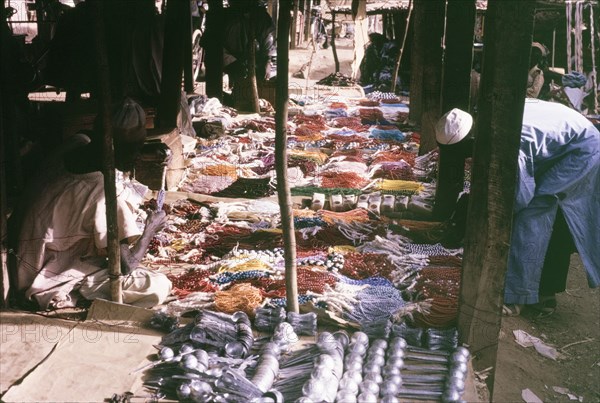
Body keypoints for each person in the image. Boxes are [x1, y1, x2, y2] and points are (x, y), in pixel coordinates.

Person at [435, 101, 600, 317]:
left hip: (581, 149)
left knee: (534, 215)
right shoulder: (487, 117)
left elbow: (518, 197)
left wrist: (477, 214)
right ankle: (543, 294)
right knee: (548, 214)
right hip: (567, 140)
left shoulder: (507, 139)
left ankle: (518, 297)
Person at [14, 98, 172, 310]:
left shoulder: (76, 144)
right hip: (43, 273)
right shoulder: (104, 191)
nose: (136, 156)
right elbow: (127, 266)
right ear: (114, 147)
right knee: (156, 285)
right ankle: (68, 294)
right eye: (133, 149)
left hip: (28, 257)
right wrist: (150, 229)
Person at [203, 0, 276, 110]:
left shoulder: (261, 17)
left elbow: (270, 41)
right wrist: (232, 62)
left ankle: (254, 99)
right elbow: (212, 46)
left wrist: (268, 61)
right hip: (231, 59)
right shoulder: (223, 17)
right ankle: (226, 99)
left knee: (268, 79)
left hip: (257, 59)